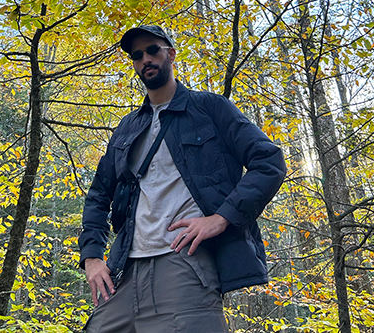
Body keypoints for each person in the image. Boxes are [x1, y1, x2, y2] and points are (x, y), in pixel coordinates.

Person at [78, 25, 286, 333]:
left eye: (153, 50)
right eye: (137, 55)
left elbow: (269, 161)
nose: (145, 59)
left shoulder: (209, 108)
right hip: (124, 268)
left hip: (183, 263)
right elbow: (98, 194)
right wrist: (92, 257)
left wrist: (222, 217)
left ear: (171, 54)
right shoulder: (127, 127)